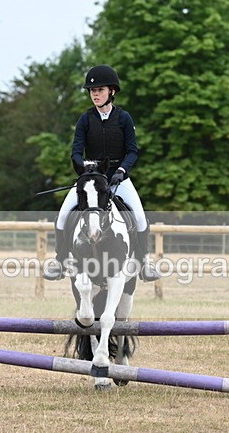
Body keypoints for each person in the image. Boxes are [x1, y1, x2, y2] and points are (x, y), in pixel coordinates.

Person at [43, 64, 160, 282]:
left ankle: (144, 265)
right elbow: (76, 152)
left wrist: (122, 171)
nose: (95, 94)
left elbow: (132, 151)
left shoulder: (124, 118)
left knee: (140, 217)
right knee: (62, 216)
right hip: (90, 179)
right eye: (92, 91)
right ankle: (59, 262)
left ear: (111, 92)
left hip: (117, 176)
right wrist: (85, 169)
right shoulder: (85, 119)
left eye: (99, 90)